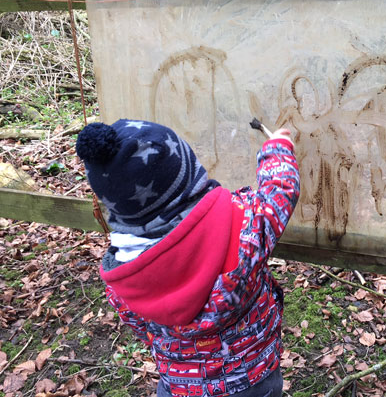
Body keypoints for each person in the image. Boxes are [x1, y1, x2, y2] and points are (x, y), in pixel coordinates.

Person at [75, 119, 300, 397]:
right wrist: (277, 150)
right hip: (253, 379)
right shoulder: (243, 227)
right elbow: (278, 194)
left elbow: (139, 324)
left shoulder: (122, 274)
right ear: (189, 175)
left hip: (180, 386)